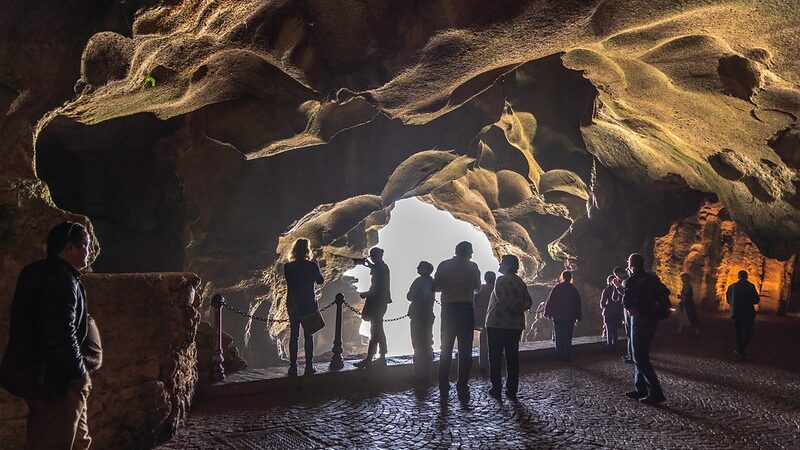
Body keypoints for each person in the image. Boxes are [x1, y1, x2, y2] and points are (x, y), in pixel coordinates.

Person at [0, 222, 96, 449]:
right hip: (56, 381)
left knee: (76, 440)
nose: (89, 251)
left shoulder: (34, 272)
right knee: (53, 440)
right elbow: (62, 331)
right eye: (85, 245)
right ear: (69, 247)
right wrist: (78, 373)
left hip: (38, 374)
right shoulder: (62, 279)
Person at [433, 241, 481, 400]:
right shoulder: (473, 267)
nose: (472, 254)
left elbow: (436, 286)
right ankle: (462, 382)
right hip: (466, 309)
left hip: (448, 309)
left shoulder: (444, 265)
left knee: (446, 347)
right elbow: (478, 288)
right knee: (465, 349)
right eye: (471, 252)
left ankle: (443, 382)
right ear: (468, 253)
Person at [485, 255, 532, 399]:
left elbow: (501, 298)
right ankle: (512, 389)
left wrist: (512, 309)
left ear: (507, 265)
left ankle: (496, 388)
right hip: (515, 325)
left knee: (495, 357)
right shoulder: (520, 282)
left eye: (502, 263)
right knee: (512, 358)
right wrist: (519, 310)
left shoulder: (500, 280)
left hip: (497, 324)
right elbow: (529, 302)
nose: (499, 264)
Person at [622, 253, 666, 405]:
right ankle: (640, 388)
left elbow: (625, 301)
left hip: (639, 320)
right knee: (642, 354)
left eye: (628, 263)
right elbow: (665, 292)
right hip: (652, 321)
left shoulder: (632, 280)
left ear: (631, 265)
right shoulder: (652, 278)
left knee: (639, 357)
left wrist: (634, 308)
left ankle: (656, 391)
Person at [283, 238, 325, 376]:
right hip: (308, 304)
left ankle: (293, 367)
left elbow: (291, 285)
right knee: (309, 335)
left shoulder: (288, 267)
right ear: (307, 250)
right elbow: (320, 281)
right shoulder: (311, 266)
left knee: (294, 335)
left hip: (293, 304)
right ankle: (308, 366)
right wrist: (316, 266)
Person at [354, 247, 392, 369]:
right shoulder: (382, 267)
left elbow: (376, 288)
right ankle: (380, 356)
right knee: (378, 330)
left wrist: (365, 294)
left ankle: (372, 358)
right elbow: (377, 271)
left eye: (372, 256)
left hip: (377, 303)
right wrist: (369, 265)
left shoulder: (380, 268)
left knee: (376, 331)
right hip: (381, 303)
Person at [407, 261, 435, 384]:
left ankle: (417, 375)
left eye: (420, 267)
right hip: (428, 315)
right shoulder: (432, 282)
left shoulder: (419, 281)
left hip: (418, 316)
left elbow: (410, 296)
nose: (417, 268)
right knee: (427, 344)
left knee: (417, 345)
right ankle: (426, 374)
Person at [544, 271, 582, 361]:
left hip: (558, 316)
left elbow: (550, 301)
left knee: (558, 335)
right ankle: (567, 354)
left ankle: (559, 354)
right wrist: (578, 316)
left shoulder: (557, 287)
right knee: (568, 335)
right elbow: (578, 304)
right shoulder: (573, 289)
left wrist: (547, 312)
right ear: (570, 278)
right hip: (570, 316)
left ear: (562, 277)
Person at [726, 270, 760, 361]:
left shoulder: (732, 287)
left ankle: (740, 349)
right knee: (749, 332)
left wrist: (734, 305)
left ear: (738, 277)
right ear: (747, 277)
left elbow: (728, 299)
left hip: (737, 312)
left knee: (739, 332)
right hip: (748, 312)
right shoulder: (751, 286)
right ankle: (741, 349)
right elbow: (756, 300)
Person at [473, 271, 496, 373]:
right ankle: (495, 363)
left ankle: (483, 364)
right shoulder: (497, 289)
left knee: (483, 341)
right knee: (496, 342)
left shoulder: (480, 289)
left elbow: (474, 301)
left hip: (482, 318)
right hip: (495, 318)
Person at [614, 266, 634, 363]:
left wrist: (617, 286)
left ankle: (632, 355)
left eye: (617, 275)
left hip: (629, 310)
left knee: (630, 333)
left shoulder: (626, 281)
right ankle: (631, 354)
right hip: (629, 310)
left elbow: (625, 294)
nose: (617, 277)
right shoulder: (630, 279)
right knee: (630, 334)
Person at [600, 275, 624, 351]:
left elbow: (602, 303)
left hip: (609, 313)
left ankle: (610, 347)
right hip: (615, 313)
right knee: (614, 331)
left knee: (610, 331)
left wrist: (606, 306)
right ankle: (614, 347)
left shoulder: (606, 290)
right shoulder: (618, 290)